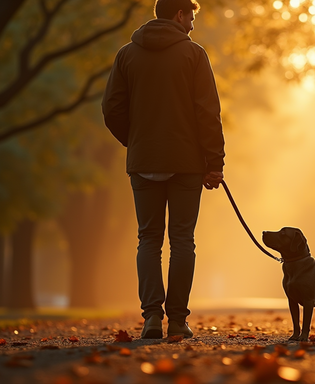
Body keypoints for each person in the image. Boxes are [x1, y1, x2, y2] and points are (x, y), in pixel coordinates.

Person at [102, 0, 225, 339]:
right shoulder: (194, 55)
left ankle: (151, 318)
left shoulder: (127, 55)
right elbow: (207, 112)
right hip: (186, 164)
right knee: (182, 240)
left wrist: (138, 141)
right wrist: (214, 162)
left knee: (149, 239)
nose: (193, 25)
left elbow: (112, 108)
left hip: (143, 162)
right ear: (179, 15)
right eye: (192, 17)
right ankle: (178, 321)